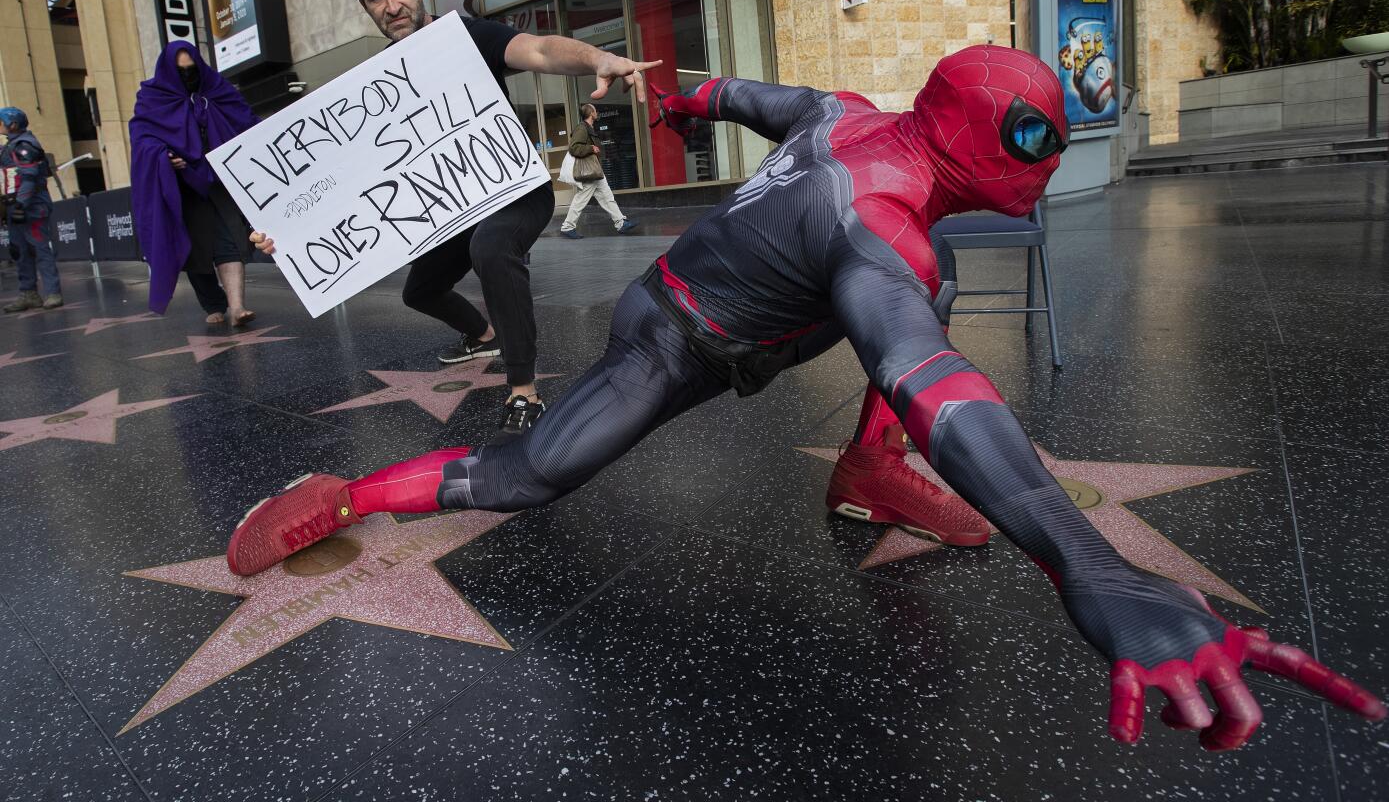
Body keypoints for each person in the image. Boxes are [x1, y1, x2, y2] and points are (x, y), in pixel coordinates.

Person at [226, 45, 1385, 750]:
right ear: (976, 136)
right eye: (1027, 143)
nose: (1042, 162)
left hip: (767, 310)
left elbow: (751, 95)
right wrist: (1092, 562)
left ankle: (868, 471)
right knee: (534, 478)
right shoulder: (879, 231)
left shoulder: (852, 113)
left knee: (918, 286)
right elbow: (944, 392)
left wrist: (682, 102)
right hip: (672, 338)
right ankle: (350, 489)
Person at [251, 0, 660, 437]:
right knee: (419, 290)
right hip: (448, 208)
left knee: (491, 247)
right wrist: (286, 233)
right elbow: (338, 179)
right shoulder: (374, 82)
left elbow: (537, 48)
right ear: (366, 7)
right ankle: (483, 334)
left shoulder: (465, 36)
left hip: (512, 192)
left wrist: (595, 58)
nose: (392, 5)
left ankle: (523, 390)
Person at [130, 41, 258, 323]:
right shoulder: (152, 97)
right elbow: (142, 139)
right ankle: (213, 306)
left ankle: (236, 307)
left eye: (192, 70)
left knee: (230, 242)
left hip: (219, 180)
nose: (188, 76)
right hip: (183, 187)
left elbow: (247, 122)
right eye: (181, 71)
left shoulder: (217, 89)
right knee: (195, 249)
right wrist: (163, 157)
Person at [0, 107, 62, 312]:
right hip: (14, 205)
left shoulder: (25, 144)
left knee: (40, 248)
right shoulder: (10, 146)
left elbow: (30, 177)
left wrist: (21, 204)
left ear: (13, 124)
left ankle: (52, 292)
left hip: (32, 206)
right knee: (19, 251)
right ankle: (28, 293)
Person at [559, 102, 639, 240]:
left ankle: (620, 223)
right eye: (595, 111)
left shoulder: (588, 127)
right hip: (589, 172)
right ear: (591, 113)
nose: (597, 113)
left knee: (607, 197)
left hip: (595, 171)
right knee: (581, 199)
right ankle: (567, 227)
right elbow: (574, 147)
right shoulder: (582, 128)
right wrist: (590, 148)